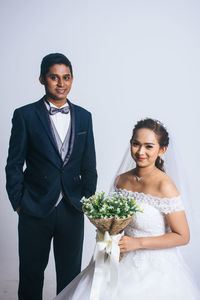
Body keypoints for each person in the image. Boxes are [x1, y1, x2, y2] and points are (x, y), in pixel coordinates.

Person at [53, 118, 199, 300]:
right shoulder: (121, 180)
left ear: (162, 150)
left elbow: (183, 236)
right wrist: (107, 236)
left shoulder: (165, 186)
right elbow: (116, 221)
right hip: (118, 255)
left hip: (154, 266)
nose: (141, 151)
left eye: (149, 146)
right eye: (136, 144)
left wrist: (138, 243)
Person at [5, 53, 97, 300]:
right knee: (31, 275)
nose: (61, 83)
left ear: (72, 79)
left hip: (72, 209)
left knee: (70, 277)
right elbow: (13, 165)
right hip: (34, 208)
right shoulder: (25, 115)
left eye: (66, 77)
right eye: (54, 77)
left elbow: (90, 166)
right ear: (42, 79)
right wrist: (19, 203)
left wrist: (85, 203)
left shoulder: (85, 116)